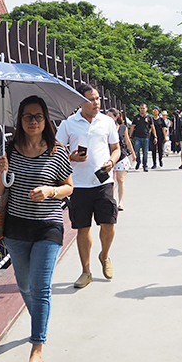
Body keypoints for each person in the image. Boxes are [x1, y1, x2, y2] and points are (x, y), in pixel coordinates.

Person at [0, 95, 74, 362]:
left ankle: (36, 348)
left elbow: (68, 187)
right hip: (16, 227)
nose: (33, 122)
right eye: (27, 116)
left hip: (47, 226)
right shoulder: (9, 151)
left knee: (40, 287)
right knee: (25, 286)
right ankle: (40, 316)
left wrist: (50, 191)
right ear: (20, 120)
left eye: (38, 116)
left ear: (46, 120)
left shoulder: (57, 151)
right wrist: (0, 174)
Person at [56, 83, 121, 289]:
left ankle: (104, 255)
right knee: (82, 229)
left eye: (98, 98)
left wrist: (111, 161)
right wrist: (71, 157)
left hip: (103, 182)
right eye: (91, 99)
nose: (96, 103)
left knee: (108, 224)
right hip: (79, 185)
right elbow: (56, 153)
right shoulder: (68, 124)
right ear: (80, 101)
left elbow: (116, 148)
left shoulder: (107, 122)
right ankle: (86, 271)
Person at [106, 107, 134, 211]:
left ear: (116, 117)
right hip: (109, 156)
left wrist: (133, 154)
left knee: (120, 179)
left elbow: (127, 141)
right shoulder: (105, 128)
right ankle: (111, 200)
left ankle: (120, 202)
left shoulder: (122, 128)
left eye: (110, 116)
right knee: (111, 180)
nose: (107, 118)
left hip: (121, 155)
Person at [130, 103, 156, 172]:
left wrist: (155, 137)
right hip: (137, 136)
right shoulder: (136, 117)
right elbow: (132, 127)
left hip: (146, 136)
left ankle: (145, 166)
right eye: (141, 108)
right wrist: (130, 136)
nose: (142, 109)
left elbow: (153, 128)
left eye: (143, 108)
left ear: (146, 109)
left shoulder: (149, 117)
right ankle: (138, 161)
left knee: (145, 152)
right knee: (136, 151)